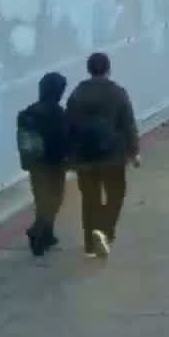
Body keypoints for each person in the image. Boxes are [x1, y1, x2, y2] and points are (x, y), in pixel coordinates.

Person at [65, 51, 139, 259]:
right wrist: (134, 152)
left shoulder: (77, 93)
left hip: (84, 157)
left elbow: (68, 126)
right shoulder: (118, 92)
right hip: (113, 156)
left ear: (89, 69)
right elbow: (128, 123)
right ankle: (104, 230)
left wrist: (69, 156)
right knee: (116, 194)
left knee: (89, 199)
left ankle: (89, 245)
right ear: (108, 69)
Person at [14, 72, 72, 257]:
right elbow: (63, 140)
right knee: (54, 201)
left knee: (41, 200)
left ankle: (47, 235)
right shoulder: (58, 113)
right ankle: (38, 233)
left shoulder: (27, 113)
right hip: (54, 165)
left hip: (34, 164)